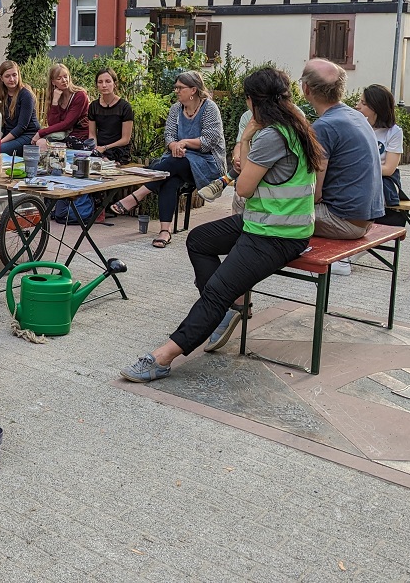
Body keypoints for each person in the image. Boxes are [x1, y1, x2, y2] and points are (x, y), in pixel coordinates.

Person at [119, 68, 322, 381]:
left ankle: (163, 357)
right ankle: (227, 308)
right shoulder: (296, 124)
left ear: (253, 101)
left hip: (276, 233)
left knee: (215, 290)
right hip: (268, 223)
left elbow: (242, 188)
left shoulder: (271, 135)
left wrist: (246, 135)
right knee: (199, 240)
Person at [108, 70, 226, 249]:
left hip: (206, 162)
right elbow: (169, 135)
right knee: (170, 177)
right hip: (178, 159)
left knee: (171, 165)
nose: (176, 91)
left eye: (180, 88)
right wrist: (174, 146)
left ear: (193, 90)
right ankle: (165, 231)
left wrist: (184, 142)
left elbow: (210, 140)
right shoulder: (176, 109)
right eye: (175, 88)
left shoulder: (209, 108)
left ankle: (137, 196)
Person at [300, 59, 384, 275]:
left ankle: (254, 264)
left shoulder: (325, 126)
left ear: (306, 89)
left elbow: (315, 193)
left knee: (259, 208)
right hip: (366, 217)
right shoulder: (356, 116)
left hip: (343, 222)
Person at [356, 84, 409, 227]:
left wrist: (359, 169)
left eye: (363, 103)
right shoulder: (356, 127)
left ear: (376, 108)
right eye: (359, 101)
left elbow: (389, 169)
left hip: (383, 181)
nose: (357, 106)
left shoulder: (394, 132)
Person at [33, 64, 91, 150]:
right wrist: (55, 102)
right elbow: (53, 123)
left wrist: (40, 132)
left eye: (65, 76)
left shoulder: (80, 95)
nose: (64, 80)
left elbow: (67, 123)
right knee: (40, 143)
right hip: (63, 135)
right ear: (53, 82)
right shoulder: (56, 96)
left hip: (78, 136)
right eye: (59, 78)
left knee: (44, 144)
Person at [87, 67, 134, 163]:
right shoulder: (94, 106)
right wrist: (95, 147)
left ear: (115, 84)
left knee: (107, 160)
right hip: (99, 148)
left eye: (108, 81)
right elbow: (92, 133)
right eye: (100, 82)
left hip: (118, 148)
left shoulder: (124, 107)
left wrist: (105, 148)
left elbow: (125, 139)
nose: (104, 85)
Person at [0, 59, 40, 156]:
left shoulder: (25, 95)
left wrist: (0, 142)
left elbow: (21, 127)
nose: (11, 79)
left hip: (28, 136)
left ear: (18, 75)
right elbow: (2, 124)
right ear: (1, 78)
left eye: (14, 75)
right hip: (11, 135)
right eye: (7, 76)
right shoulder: (2, 96)